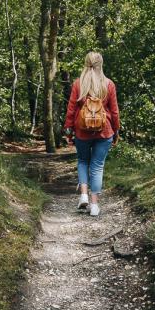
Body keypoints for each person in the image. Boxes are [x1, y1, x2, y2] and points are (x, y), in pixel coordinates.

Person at [64, 51, 120, 217]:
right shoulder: (108, 84)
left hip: (82, 131)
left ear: (86, 63)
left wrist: (68, 129)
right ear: (100, 64)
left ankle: (83, 195)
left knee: (82, 161)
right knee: (97, 166)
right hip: (104, 132)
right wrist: (116, 129)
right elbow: (114, 112)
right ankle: (94, 206)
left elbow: (71, 109)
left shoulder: (78, 84)